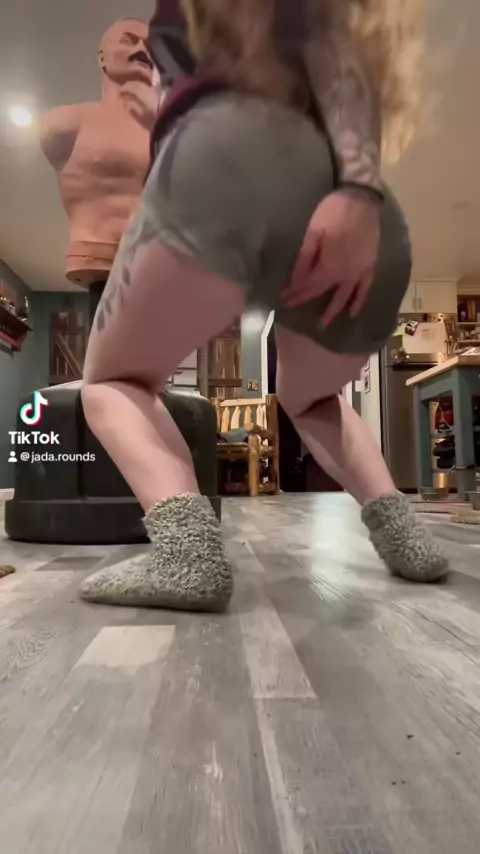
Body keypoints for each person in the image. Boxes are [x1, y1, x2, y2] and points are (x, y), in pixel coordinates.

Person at [79, 0, 449, 611]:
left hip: (229, 156)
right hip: (369, 220)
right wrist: (360, 189)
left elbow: (325, 37)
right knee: (313, 398)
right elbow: (337, 42)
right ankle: (405, 538)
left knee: (111, 382)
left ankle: (186, 556)